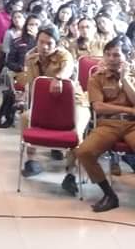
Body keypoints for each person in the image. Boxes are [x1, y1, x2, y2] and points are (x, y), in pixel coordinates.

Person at [20, 26, 89, 194]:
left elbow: (68, 68)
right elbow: (30, 85)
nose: (44, 47)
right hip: (47, 104)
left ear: (57, 44)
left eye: (49, 43)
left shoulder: (64, 55)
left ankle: (70, 174)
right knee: (25, 117)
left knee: (76, 132)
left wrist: (58, 78)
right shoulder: (31, 57)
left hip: (75, 102)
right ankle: (31, 161)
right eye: (41, 42)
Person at [76, 35, 135, 212]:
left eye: (116, 55)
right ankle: (109, 194)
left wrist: (125, 80)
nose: (111, 59)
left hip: (133, 125)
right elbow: (99, 107)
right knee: (84, 152)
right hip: (108, 125)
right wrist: (129, 110)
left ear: (127, 55)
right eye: (107, 54)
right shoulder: (97, 77)